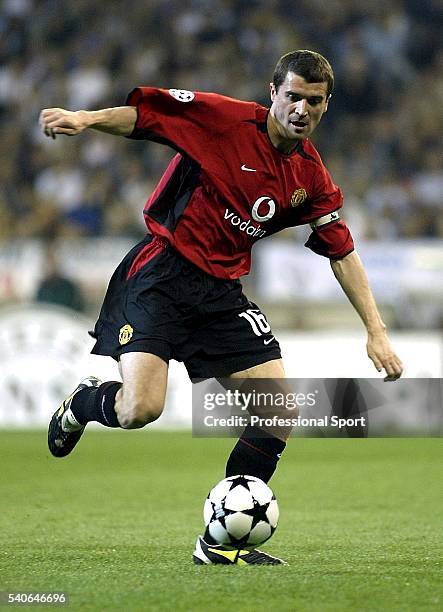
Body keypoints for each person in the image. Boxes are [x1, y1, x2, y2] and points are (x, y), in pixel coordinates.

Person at [40, 50, 403, 565]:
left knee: (279, 413)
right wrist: (86, 119)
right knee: (140, 408)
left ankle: (220, 542)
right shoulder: (225, 120)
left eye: (314, 101)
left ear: (326, 106)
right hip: (161, 277)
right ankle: (85, 404)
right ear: (273, 93)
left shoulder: (310, 176)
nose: (301, 109)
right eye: (293, 96)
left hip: (219, 294)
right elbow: (147, 116)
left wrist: (376, 330)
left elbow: (340, 251)